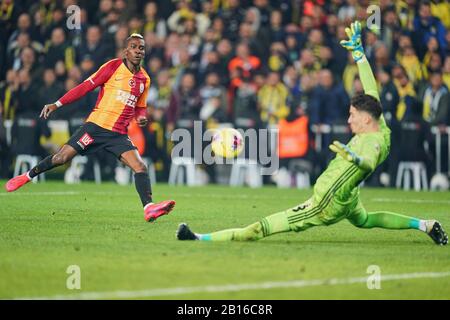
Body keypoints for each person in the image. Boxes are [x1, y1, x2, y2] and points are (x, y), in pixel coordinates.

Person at [176, 22, 448, 245]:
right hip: (346, 195)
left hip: (324, 204)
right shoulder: (381, 124)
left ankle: (199, 238)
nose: (349, 119)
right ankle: (425, 225)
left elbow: (368, 159)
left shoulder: (371, 144)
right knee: (365, 220)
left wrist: (356, 159)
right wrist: (359, 54)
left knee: (258, 230)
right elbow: (370, 86)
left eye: (352, 115)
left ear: (366, 119)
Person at [5, 33, 175, 223]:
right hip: (95, 127)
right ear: (126, 51)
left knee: (140, 166)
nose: (137, 50)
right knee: (62, 158)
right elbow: (85, 87)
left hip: (118, 134)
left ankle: (149, 208)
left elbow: (140, 106)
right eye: (134, 47)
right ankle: (27, 176)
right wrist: (57, 104)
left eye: (141, 47)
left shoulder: (145, 79)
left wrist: (142, 117)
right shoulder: (112, 67)